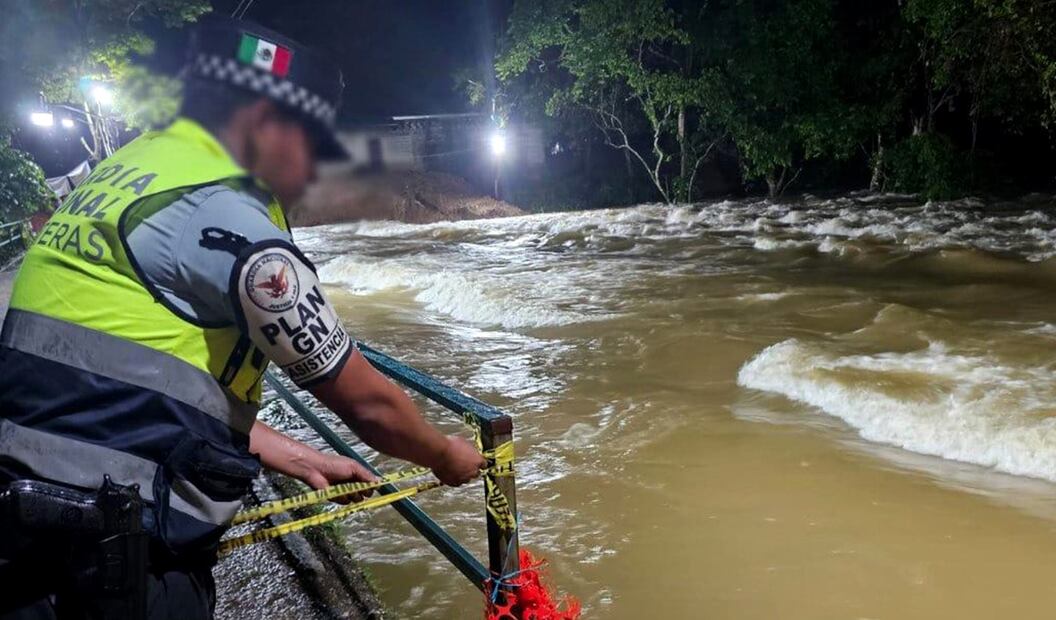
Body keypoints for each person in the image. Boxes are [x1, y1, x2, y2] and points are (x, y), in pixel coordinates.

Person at [0, 16, 484, 620]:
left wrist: (288, 451)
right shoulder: (229, 220)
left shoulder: (128, 173)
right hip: (106, 566)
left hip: (25, 531)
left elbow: (125, 373)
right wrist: (445, 456)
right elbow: (369, 405)